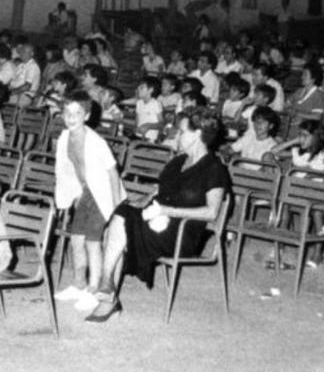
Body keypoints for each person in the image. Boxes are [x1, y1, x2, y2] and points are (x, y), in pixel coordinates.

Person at [87, 106, 230, 321]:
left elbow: (212, 212)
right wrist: (141, 203)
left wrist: (166, 210)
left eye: (182, 132)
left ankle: (107, 292)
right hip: (157, 221)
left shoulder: (214, 169)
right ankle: (107, 288)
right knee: (122, 214)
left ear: (199, 134)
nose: (176, 136)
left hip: (182, 233)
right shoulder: (177, 162)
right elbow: (159, 192)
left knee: (120, 225)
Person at [52, 91, 125, 313]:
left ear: (87, 115)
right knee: (76, 239)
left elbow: (113, 172)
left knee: (93, 242)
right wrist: (73, 193)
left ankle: (94, 289)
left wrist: (115, 207)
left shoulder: (96, 142)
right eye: (67, 112)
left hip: (104, 195)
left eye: (77, 113)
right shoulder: (65, 136)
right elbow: (67, 168)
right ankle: (79, 284)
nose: (71, 117)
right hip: (85, 193)